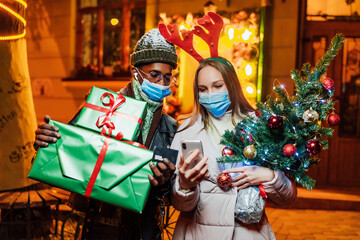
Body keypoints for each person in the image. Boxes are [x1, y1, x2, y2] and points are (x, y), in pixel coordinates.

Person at [34, 29, 179, 240]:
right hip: (100, 226)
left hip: (145, 230)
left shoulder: (170, 127)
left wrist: (164, 182)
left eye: (167, 78)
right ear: (135, 72)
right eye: (154, 75)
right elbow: (64, 151)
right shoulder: (103, 107)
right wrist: (45, 142)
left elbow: (172, 195)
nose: (162, 84)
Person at [169, 58, 297, 239]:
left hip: (248, 233)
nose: (210, 94)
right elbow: (181, 205)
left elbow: (287, 198)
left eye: (218, 86)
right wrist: (184, 186)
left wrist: (270, 176)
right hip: (197, 233)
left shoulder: (259, 125)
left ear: (232, 85)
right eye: (203, 89)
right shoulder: (187, 131)